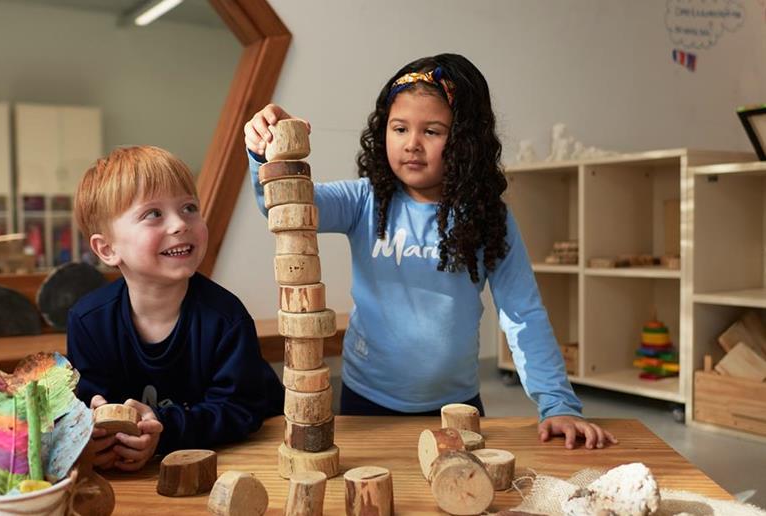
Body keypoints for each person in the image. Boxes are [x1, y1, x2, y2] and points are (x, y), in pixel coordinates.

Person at [244, 54, 616, 449]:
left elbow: (523, 313)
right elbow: (283, 206)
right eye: (399, 128)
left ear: (465, 140)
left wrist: (558, 404)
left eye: (433, 131)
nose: (412, 145)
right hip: (366, 402)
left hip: (456, 407)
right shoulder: (365, 200)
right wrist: (267, 153)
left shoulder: (488, 217)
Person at [68, 145, 284, 471]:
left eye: (189, 208)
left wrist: (162, 430)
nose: (180, 224)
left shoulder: (226, 317)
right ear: (108, 249)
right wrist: (95, 433)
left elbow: (240, 409)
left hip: (246, 458)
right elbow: (85, 402)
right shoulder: (88, 322)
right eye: (153, 214)